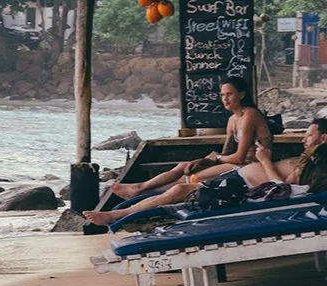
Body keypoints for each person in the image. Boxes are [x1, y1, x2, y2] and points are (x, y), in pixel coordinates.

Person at [85, 116, 327, 228]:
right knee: (181, 185)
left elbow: (283, 189)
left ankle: (119, 215)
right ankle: (127, 206)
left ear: (323, 139)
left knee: (181, 189)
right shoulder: (309, 158)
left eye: (310, 135)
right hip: (238, 180)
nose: (304, 139)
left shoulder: (316, 165)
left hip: (242, 191)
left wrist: (265, 160)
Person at [107, 77, 272, 204]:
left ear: (242, 94)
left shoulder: (250, 115)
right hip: (234, 163)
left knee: (188, 178)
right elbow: (226, 153)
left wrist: (216, 158)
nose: (225, 99)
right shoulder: (232, 120)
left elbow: (239, 157)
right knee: (183, 166)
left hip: (250, 166)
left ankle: (142, 195)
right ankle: (140, 187)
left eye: (230, 94)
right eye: (222, 95)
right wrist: (205, 160)